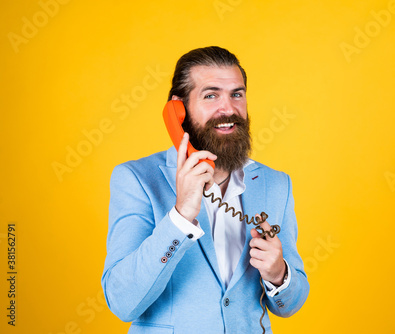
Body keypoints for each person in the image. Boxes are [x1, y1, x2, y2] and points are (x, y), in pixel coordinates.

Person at [101, 46, 309, 333]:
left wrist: (278, 274)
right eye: (211, 95)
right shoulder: (137, 179)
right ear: (178, 109)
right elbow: (122, 302)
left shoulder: (276, 184)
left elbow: (291, 304)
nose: (228, 109)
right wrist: (180, 216)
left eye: (237, 94)